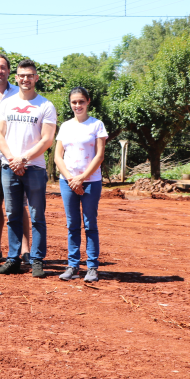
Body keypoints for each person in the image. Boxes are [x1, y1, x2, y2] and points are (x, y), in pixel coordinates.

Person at [0, 59, 57, 278]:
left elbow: (47, 139)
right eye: (22, 75)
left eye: (30, 75)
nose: (26, 79)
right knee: (13, 214)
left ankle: (37, 260)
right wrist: (12, 159)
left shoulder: (46, 105)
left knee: (37, 214)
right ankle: (13, 259)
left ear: (36, 78)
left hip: (35, 168)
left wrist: (24, 159)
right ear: (16, 78)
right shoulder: (7, 104)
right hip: (9, 167)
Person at [0, 54, 31, 264]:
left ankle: (27, 250)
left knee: (20, 206)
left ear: (9, 71)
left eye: (3, 67)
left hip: (16, 160)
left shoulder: (21, 94)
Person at [54, 87, 107, 283]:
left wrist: (82, 178)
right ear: (70, 104)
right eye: (74, 102)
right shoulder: (65, 126)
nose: (77, 105)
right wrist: (70, 179)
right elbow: (58, 156)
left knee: (90, 224)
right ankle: (73, 266)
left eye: (81, 101)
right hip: (67, 182)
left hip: (91, 182)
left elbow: (99, 155)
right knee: (72, 225)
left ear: (88, 102)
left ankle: (92, 267)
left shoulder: (97, 125)